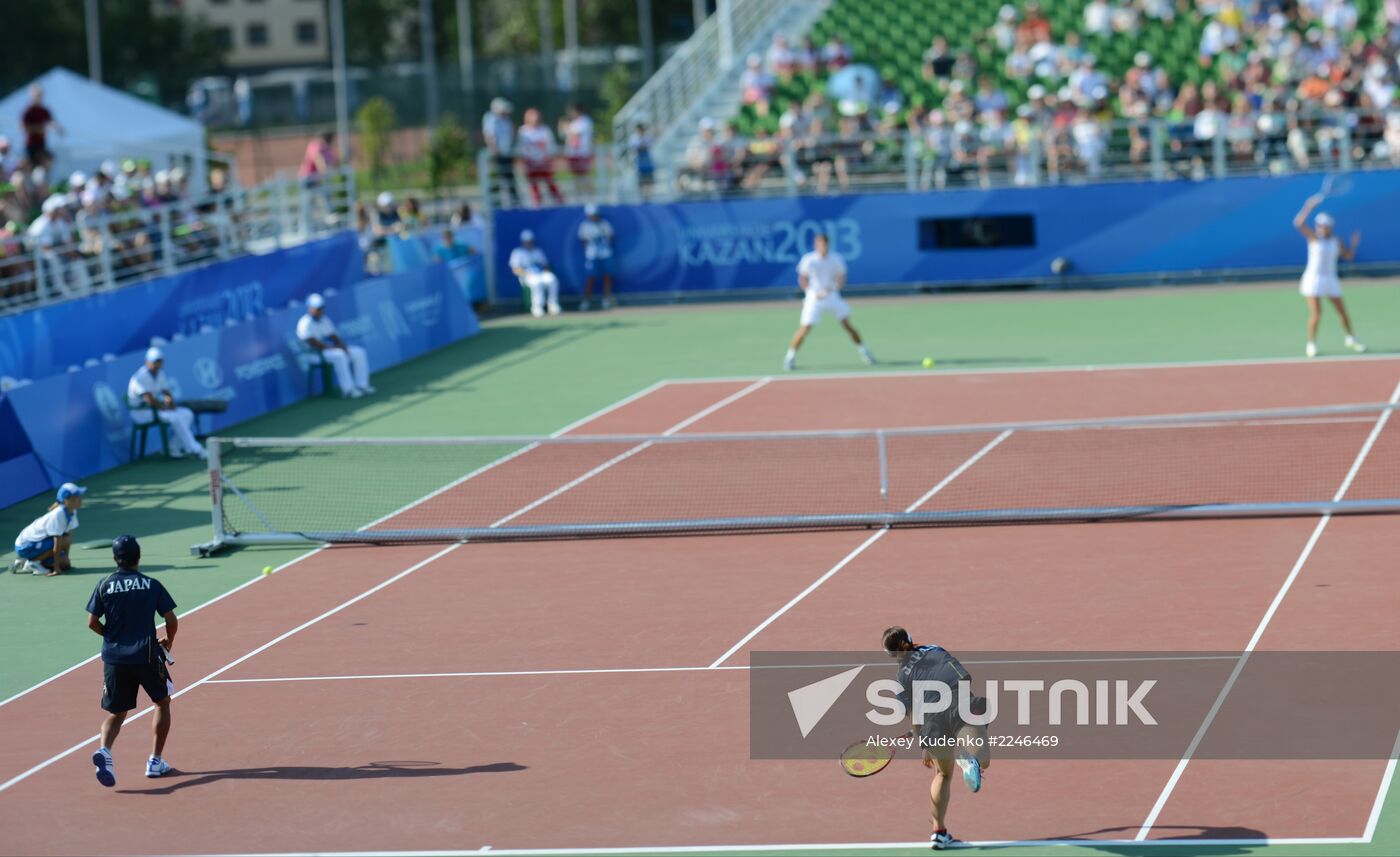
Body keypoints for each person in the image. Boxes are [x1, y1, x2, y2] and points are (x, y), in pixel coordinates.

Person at [883, 626, 990, 850]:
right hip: (957, 700)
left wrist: (923, 742)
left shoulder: (900, 679)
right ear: (910, 640)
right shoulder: (934, 648)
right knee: (982, 753)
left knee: (942, 773)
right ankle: (969, 759)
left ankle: (938, 832)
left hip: (930, 721)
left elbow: (913, 713)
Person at [86, 535, 178, 786]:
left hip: (114, 659)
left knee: (117, 713)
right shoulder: (151, 584)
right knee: (162, 703)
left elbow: (92, 622)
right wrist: (168, 642)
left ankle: (105, 750)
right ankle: (155, 761)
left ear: (115, 558)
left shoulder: (104, 584)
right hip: (146, 655)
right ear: (138, 557)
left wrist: (112, 636)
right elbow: (171, 620)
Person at [784, 233, 874, 371]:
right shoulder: (808, 260)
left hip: (832, 296)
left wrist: (831, 289)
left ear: (828, 244)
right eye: (818, 244)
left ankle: (864, 351)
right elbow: (802, 279)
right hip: (813, 299)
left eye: (824, 244)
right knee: (805, 328)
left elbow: (842, 279)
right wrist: (811, 292)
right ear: (815, 245)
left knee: (847, 325)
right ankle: (790, 357)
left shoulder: (836, 259)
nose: (821, 246)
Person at [1294, 194, 1366, 358]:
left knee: (1342, 312)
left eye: (1325, 225)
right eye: (1319, 225)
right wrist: (1308, 206)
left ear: (1330, 227)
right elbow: (1298, 223)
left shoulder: (1337, 241)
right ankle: (1311, 344)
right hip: (1313, 280)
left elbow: (1348, 257)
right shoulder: (1313, 239)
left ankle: (1351, 339)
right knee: (1316, 314)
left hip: (1331, 280)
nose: (1321, 228)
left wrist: (1354, 244)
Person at [127, 348, 207, 459]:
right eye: (155, 361)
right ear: (147, 362)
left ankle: (173, 447)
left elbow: (166, 392)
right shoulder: (140, 377)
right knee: (176, 418)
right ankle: (195, 450)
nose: (157, 364)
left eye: (159, 361)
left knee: (187, 413)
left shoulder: (160, 374)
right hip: (141, 412)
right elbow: (149, 399)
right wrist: (164, 407)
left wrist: (171, 404)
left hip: (154, 409)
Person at [297, 293, 374, 397]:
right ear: (310, 309)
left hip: (328, 351)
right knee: (340, 356)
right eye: (318, 308)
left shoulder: (324, 320)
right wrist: (333, 348)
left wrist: (343, 346)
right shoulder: (304, 323)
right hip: (314, 355)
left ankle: (362, 385)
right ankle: (348, 390)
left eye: (321, 308)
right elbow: (313, 343)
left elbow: (333, 336)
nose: (320, 310)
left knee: (359, 352)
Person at [10, 482, 85, 576]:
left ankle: (25, 561)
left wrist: (66, 559)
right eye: (76, 497)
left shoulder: (72, 511)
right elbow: (59, 542)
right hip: (25, 546)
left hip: (40, 544)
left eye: (80, 496)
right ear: (66, 500)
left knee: (65, 564)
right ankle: (33, 562)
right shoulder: (58, 514)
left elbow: (69, 536)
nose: (80, 499)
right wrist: (56, 569)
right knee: (64, 540)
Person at [517, 108, 564, 207]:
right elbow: (522, 148)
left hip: (544, 162)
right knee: (534, 186)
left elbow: (551, 146)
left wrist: (547, 158)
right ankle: (537, 205)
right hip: (531, 163)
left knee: (550, 183)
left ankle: (559, 202)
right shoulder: (523, 131)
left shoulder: (545, 130)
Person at [509, 230, 561, 317]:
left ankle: (553, 305)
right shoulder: (517, 252)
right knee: (537, 282)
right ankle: (537, 307)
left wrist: (545, 271)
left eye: (530, 241)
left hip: (540, 274)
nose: (529, 243)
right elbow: (515, 269)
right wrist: (527, 273)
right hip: (526, 277)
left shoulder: (537, 251)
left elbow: (546, 265)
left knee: (552, 278)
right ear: (523, 242)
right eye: (527, 242)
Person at [482, 97, 521, 207]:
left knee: (510, 180)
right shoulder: (491, 119)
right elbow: (490, 136)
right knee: (497, 180)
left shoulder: (506, 120)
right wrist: (494, 151)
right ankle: (495, 204)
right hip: (497, 155)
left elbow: (510, 135)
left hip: (507, 154)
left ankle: (515, 203)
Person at [577, 204, 616, 310]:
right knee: (591, 278)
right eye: (591, 215)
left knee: (607, 277)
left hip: (605, 254)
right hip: (592, 256)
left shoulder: (604, 224)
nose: (593, 217)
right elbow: (583, 241)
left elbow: (611, 237)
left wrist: (604, 243)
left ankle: (606, 300)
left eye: (594, 214)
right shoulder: (584, 226)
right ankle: (586, 301)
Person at [21, 84, 62, 169]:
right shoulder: (28, 111)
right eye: (37, 95)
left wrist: (57, 128)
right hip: (31, 145)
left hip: (41, 144)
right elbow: (23, 127)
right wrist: (39, 129)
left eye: (40, 95)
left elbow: (51, 122)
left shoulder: (44, 110)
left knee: (48, 161)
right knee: (33, 167)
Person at [562, 104, 596, 197]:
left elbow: (575, 135)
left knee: (584, 176)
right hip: (574, 154)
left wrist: (565, 127)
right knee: (577, 177)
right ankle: (580, 196)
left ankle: (592, 196)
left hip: (582, 153)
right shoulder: (574, 123)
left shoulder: (585, 121)